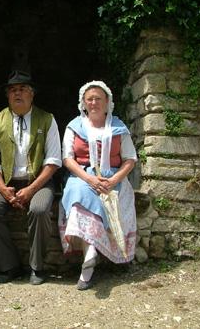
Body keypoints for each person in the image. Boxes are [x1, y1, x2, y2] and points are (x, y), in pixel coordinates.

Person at [0, 70, 61, 285]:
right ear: (7, 95)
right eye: (13, 90)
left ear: (32, 94)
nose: (18, 94)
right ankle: (10, 266)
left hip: (39, 182)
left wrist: (32, 189)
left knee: (40, 209)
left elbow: (53, 161)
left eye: (23, 89)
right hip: (6, 182)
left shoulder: (47, 120)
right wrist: (3, 189)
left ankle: (37, 267)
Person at [59, 80, 137, 290]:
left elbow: (130, 159)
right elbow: (67, 159)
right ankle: (90, 253)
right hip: (82, 176)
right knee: (79, 194)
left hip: (114, 178)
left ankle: (90, 260)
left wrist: (113, 180)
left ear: (107, 102)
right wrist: (90, 179)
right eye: (90, 99)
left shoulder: (119, 128)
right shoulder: (74, 127)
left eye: (98, 99)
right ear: (83, 103)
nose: (94, 103)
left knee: (107, 196)